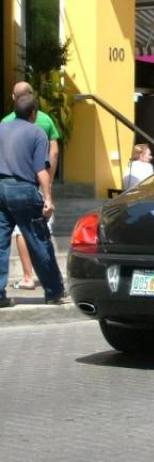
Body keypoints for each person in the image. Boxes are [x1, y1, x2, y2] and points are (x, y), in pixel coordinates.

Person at [0, 94, 66, 307]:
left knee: (1, 243)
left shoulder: (1, 128)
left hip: (1, 187)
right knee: (39, 240)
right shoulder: (37, 133)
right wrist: (47, 198)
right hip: (23, 190)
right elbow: (41, 170)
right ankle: (54, 291)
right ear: (33, 113)